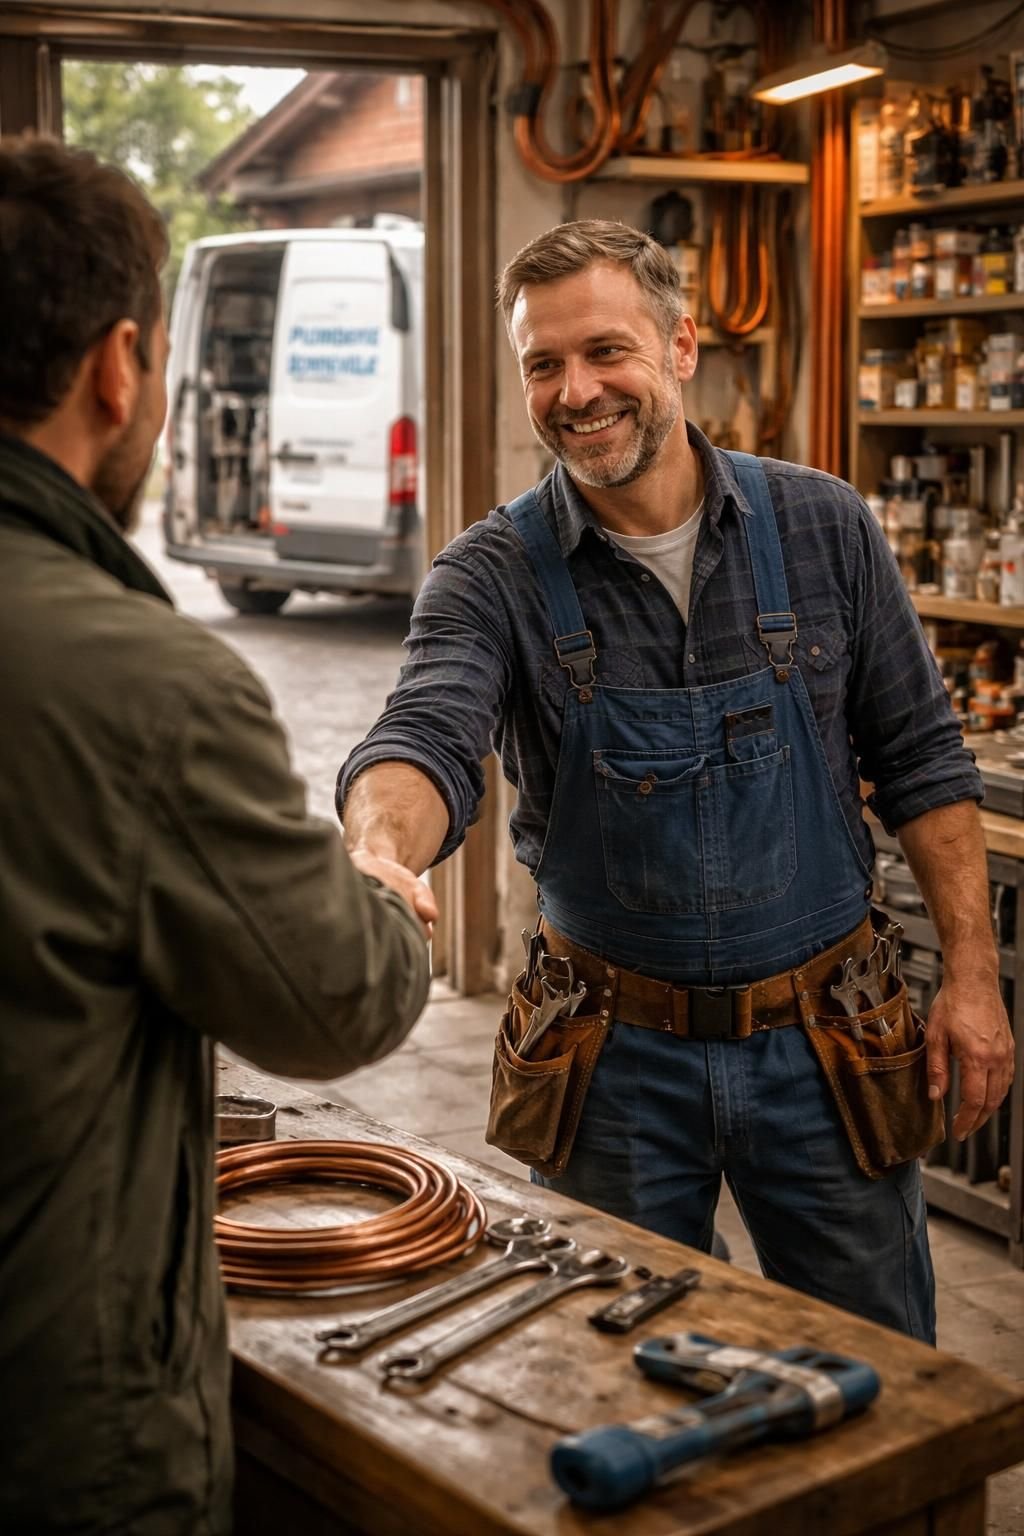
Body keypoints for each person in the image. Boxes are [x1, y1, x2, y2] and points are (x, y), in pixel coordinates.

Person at [339, 218, 1014, 1343]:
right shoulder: (489, 573)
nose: (575, 390)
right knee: (619, 1375)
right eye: (543, 365)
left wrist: (973, 982)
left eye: (606, 351)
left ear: (681, 347)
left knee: (880, 1369)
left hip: (828, 1039)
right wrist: (379, 847)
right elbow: (425, 731)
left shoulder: (822, 525)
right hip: (606, 1056)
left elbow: (922, 761)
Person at [0, 135, 436, 1535]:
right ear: (120, 367)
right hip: (56, 1436)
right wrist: (369, 891)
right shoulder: (146, 683)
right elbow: (331, 1002)